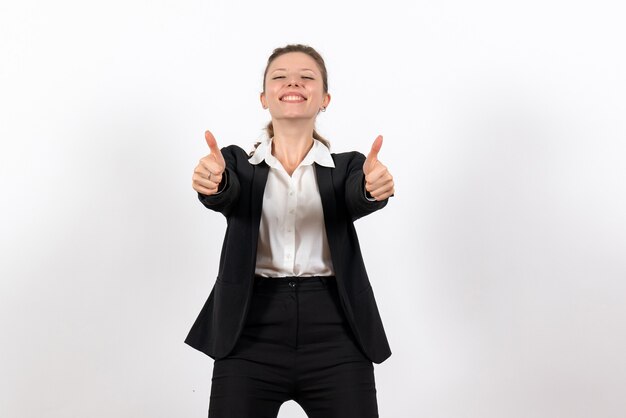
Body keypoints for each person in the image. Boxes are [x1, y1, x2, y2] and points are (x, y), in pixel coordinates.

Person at [185, 44, 395, 418]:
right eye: (279, 77)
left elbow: (358, 195)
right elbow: (224, 190)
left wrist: (372, 188)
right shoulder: (237, 163)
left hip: (337, 334)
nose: (292, 82)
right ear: (265, 97)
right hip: (248, 330)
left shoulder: (348, 168)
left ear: (324, 99)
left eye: (306, 77)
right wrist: (212, 182)